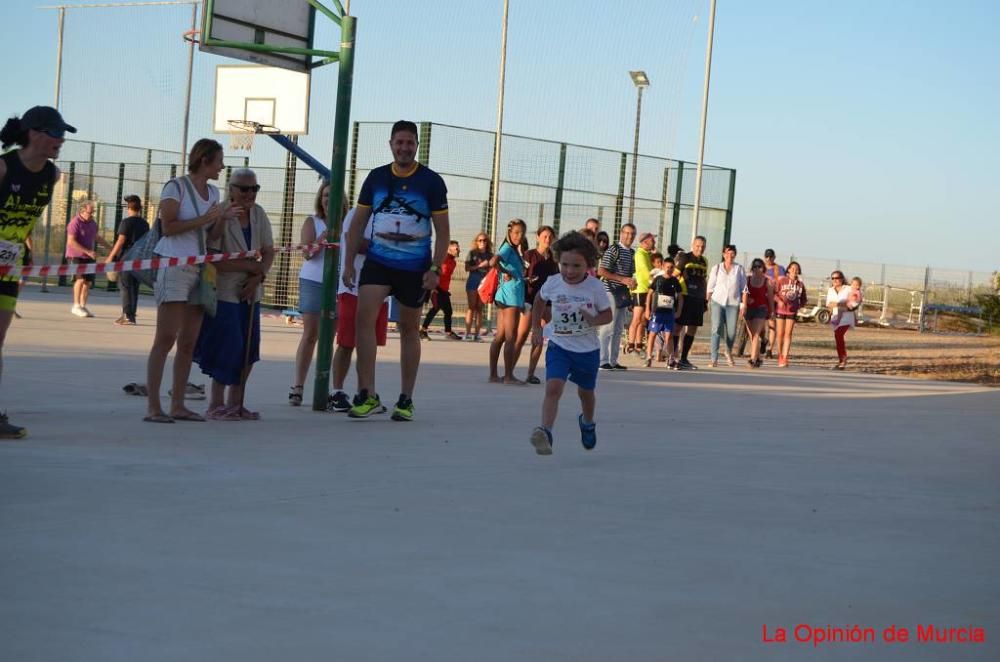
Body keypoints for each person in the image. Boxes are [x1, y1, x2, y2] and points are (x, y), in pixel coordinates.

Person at [341, 120, 449, 421]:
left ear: (417, 145)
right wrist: (349, 263)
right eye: (399, 142)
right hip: (378, 262)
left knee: (409, 330)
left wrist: (435, 269)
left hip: (414, 267)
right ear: (391, 144)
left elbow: (443, 231)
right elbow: (357, 224)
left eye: (409, 143)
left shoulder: (431, 182)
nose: (404, 148)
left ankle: (406, 399)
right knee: (364, 321)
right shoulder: (375, 178)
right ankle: (367, 393)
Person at [144, 138, 236, 423]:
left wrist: (221, 219)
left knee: (188, 341)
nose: (222, 166)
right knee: (166, 337)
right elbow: (168, 227)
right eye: (219, 160)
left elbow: (211, 238)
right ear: (205, 160)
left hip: (199, 268)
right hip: (174, 266)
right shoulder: (176, 187)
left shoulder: (212, 192)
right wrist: (205, 217)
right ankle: (154, 406)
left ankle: (178, 404)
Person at [0, 106, 74, 438]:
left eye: (63, 135)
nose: (60, 141)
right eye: (55, 134)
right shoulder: (3, 167)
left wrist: (25, 251)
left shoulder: (52, 175)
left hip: (9, 268)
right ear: (34, 134)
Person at [195, 168, 274, 420]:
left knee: (250, 348)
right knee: (227, 346)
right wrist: (249, 267)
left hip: (252, 291)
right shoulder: (220, 213)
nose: (250, 194)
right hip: (226, 290)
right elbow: (213, 258)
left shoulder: (259, 214)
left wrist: (258, 275)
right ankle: (215, 402)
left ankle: (236, 403)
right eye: (244, 188)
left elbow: (269, 250)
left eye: (254, 189)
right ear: (231, 189)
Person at [528, 231, 612, 455]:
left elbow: (608, 315)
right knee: (553, 387)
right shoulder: (553, 283)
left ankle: (588, 422)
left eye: (576, 266)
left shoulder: (595, 287)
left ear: (588, 265)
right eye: (564, 265)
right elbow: (538, 300)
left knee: (586, 393)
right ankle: (545, 432)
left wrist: (594, 319)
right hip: (559, 345)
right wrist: (536, 327)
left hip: (587, 350)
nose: (569, 271)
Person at [513, 225, 559, 384]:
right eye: (544, 236)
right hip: (529, 299)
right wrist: (528, 280)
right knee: (521, 336)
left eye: (550, 237)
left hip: (546, 301)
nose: (547, 239)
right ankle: (509, 371)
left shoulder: (553, 259)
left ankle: (530, 373)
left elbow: (556, 279)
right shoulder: (529, 255)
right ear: (538, 237)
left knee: (540, 336)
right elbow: (520, 275)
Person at [488, 218, 528, 384]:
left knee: (501, 336)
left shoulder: (513, 250)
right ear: (509, 233)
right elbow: (493, 261)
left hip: (504, 295)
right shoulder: (507, 248)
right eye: (516, 232)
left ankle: (493, 375)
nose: (519, 236)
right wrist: (504, 271)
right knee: (511, 337)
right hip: (510, 297)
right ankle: (509, 376)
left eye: (522, 233)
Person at [105, 194, 149, 325]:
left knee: (125, 286)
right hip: (139, 259)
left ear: (128, 208)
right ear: (140, 208)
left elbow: (121, 240)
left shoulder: (126, 222)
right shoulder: (145, 224)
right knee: (134, 287)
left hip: (126, 258)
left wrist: (111, 256)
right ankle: (130, 315)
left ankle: (128, 316)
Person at [597, 224, 636, 370]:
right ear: (621, 233)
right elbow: (601, 271)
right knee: (608, 327)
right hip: (610, 291)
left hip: (622, 293)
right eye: (626, 233)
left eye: (632, 234)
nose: (629, 236)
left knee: (619, 328)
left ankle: (613, 360)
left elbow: (630, 274)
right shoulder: (613, 249)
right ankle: (602, 360)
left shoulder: (632, 253)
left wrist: (631, 282)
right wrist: (622, 279)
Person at [65, 200, 112, 317]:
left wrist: (110, 248)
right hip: (75, 255)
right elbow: (71, 242)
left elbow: (97, 237)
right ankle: (76, 306)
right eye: (89, 212)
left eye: (93, 213)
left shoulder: (93, 223)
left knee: (87, 283)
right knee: (79, 280)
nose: (91, 215)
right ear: (82, 211)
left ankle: (82, 306)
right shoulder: (74, 223)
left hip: (89, 256)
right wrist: (88, 251)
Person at [705, 244, 747, 368]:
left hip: (733, 304)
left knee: (731, 332)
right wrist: (706, 301)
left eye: (732, 253)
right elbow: (710, 287)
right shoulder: (716, 268)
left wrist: (743, 305)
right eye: (727, 253)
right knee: (716, 329)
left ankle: (728, 351)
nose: (730, 255)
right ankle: (714, 358)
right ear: (723, 254)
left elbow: (744, 288)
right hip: (717, 302)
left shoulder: (739, 269)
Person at [643, 255, 684, 368]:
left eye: (671, 267)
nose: (669, 269)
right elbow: (649, 294)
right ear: (662, 267)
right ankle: (648, 357)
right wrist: (647, 309)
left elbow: (680, 297)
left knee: (669, 336)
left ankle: (670, 359)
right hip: (657, 312)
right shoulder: (658, 279)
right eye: (667, 267)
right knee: (653, 333)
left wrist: (679, 311)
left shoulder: (675, 281)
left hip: (669, 313)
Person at [675, 235, 709, 369]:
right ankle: (673, 357)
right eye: (698, 246)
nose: (700, 248)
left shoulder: (704, 261)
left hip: (698, 298)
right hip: (685, 296)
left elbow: (704, 280)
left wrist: (705, 300)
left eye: (702, 246)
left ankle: (684, 358)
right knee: (678, 327)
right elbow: (675, 275)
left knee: (693, 328)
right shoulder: (685, 258)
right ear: (693, 245)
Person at [420, 240, 461, 340]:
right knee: (435, 308)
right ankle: (422, 331)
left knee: (448, 311)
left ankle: (448, 332)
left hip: (444, 290)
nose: (458, 250)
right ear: (449, 249)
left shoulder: (453, 262)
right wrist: (433, 287)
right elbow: (432, 268)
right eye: (456, 248)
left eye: (458, 248)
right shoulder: (443, 259)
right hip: (436, 288)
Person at [741, 257, 774, 368]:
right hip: (748, 309)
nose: (757, 268)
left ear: (763, 268)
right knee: (752, 335)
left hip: (761, 309)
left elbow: (770, 298)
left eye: (759, 266)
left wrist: (772, 312)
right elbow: (743, 293)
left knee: (755, 334)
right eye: (754, 266)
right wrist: (745, 302)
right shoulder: (747, 279)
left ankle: (752, 359)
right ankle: (759, 355)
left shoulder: (767, 281)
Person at [626, 231, 655, 356]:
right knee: (636, 319)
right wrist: (654, 277)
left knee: (643, 319)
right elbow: (645, 272)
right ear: (645, 242)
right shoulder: (639, 254)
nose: (654, 243)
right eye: (652, 241)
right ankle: (630, 346)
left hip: (646, 290)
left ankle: (639, 345)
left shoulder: (647, 254)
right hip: (639, 290)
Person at [773, 261, 807, 367]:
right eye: (792, 268)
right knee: (780, 334)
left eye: (797, 269)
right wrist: (779, 301)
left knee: (788, 334)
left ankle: (785, 357)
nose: (794, 270)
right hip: (780, 310)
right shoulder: (782, 281)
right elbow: (774, 293)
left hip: (791, 311)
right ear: (788, 269)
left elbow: (804, 299)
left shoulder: (800, 285)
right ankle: (780, 355)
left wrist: (798, 306)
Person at [827, 272, 862, 370]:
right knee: (838, 338)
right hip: (835, 317)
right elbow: (829, 304)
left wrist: (838, 304)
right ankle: (841, 361)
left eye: (837, 277)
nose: (835, 280)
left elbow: (856, 300)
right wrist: (838, 306)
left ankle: (843, 359)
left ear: (842, 278)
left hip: (847, 317)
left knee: (839, 335)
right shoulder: (830, 290)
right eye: (833, 278)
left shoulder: (848, 288)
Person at [463, 232, 492, 341]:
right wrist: (480, 265)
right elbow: (467, 268)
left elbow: (493, 269)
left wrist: (488, 268)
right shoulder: (472, 253)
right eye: (480, 240)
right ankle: (467, 333)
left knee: (480, 308)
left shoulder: (490, 255)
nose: (482, 242)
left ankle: (477, 334)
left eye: (484, 240)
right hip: (473, 281)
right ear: (476, 242)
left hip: (484, 283)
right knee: (471, 307)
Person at [762, 249, 785, 358]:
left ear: (774, 257)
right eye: (767, 257)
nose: (769, 259)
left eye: (771, 257)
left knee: (772, 324)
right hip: (762, 299)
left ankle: (769, 349)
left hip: (774, 299)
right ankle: (763, 341)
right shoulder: (761, 267)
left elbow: (782, 284)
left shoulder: (779, 269)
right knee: (760, 324)